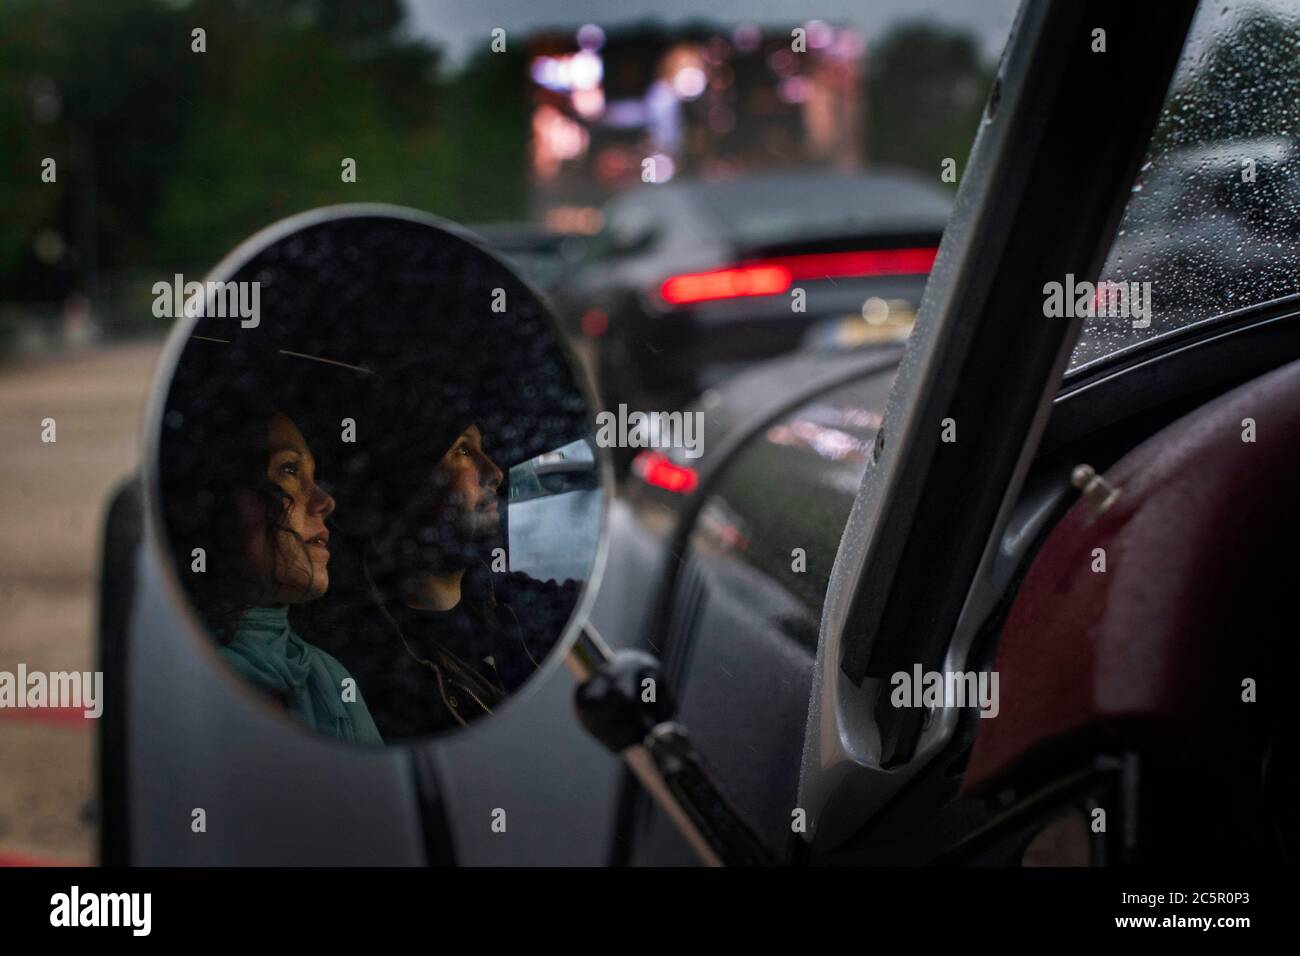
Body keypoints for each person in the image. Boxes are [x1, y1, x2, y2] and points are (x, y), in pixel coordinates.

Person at [314, 376, 579, 739]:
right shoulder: (374, 674)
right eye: (462, 451)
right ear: (407, 485)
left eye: (481, 449)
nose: (495, 472)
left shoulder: (514, 604)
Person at [164, 384, 384, 745]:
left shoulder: (327, 677)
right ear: (218, 502)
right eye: (288, 471)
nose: (325, 501)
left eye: (313, 477)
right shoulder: (179, 681)